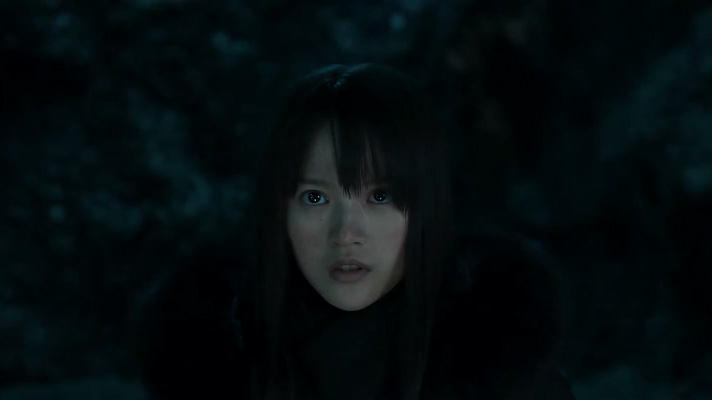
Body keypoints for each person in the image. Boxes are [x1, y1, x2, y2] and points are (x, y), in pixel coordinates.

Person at [135, 64, 575, 399]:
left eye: (379, 196)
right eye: (315, 198)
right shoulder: (215, 357)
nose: (345, 233)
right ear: (279, 211)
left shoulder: (504, 368)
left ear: (426, 206)